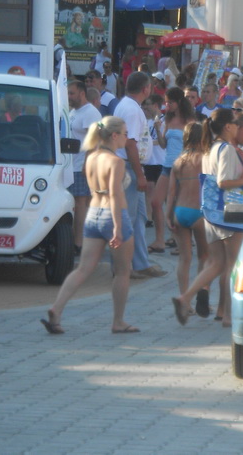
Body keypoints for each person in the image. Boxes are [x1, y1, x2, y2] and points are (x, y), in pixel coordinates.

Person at [41, 116, 138, 334]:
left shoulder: (91, 157)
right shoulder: (116, 162)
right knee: (123, 271)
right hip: (113, 214)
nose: (126, 137)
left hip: (93, 213)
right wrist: (117, 227)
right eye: (124, 133)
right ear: (114, 135)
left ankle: (57, 308)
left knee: (83, 268)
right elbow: (114, 194)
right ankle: (118, 321)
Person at [172, 108, 243, 327]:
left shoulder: (211, 149)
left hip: (212, 212)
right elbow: (223, 182)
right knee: (232, 264)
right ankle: (228, 315)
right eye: (236, 124)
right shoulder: (226, 149)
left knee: (217, 262)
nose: (238, 127)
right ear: (228, 126)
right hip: (232, 211)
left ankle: (185, 297)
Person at [113, 72, 165, 279]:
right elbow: (130, 143)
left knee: (138, 218)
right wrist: (139, 174)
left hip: (130, 167)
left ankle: (140, 262)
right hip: (128, 168)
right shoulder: (132, 110)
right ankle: (122, 266)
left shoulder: (127, 106)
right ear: (146, 89)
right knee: (128, 219)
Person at [165, 123, 210, 316]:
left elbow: (171, 192)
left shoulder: (178, 162)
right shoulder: (207, 160)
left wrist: (168, 216)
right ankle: (201, 294)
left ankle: (184, 300)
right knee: (204, 258)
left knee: (184, 259)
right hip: (199, 212)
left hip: (180, 211)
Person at [151, 88, 195, 255]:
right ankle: (159, 239)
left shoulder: (189, 119)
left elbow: (195, 143)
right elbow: (163, 144)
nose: (167, 105)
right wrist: (157, 128)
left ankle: (183, 242)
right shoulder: (168, 119)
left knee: (178, 206)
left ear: (179, 102)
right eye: (166, 102)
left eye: (170, 102)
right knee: (156, 202)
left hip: (183, 167)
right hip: (167, 165)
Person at [67, 80, 102, 255]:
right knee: (78, 204)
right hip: (71, 165)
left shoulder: (91, 113)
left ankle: (79, 243)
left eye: (72, 93)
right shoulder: (74, 111)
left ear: (82, 93)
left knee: (81, 204)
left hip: (82, 165)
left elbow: (94, 140)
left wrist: (88, 163)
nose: (69, 96)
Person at [142, 94, 167, 253]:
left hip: (160, 160)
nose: (145, 110)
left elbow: (162, 141)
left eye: (148, 106)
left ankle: (160, 218)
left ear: (156, 105)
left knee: (158, 192)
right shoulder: (146, 121)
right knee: (149, 187)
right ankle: (149, 217)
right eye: (144, 107)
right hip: (149, 160)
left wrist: (150, 142)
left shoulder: (162, 121)